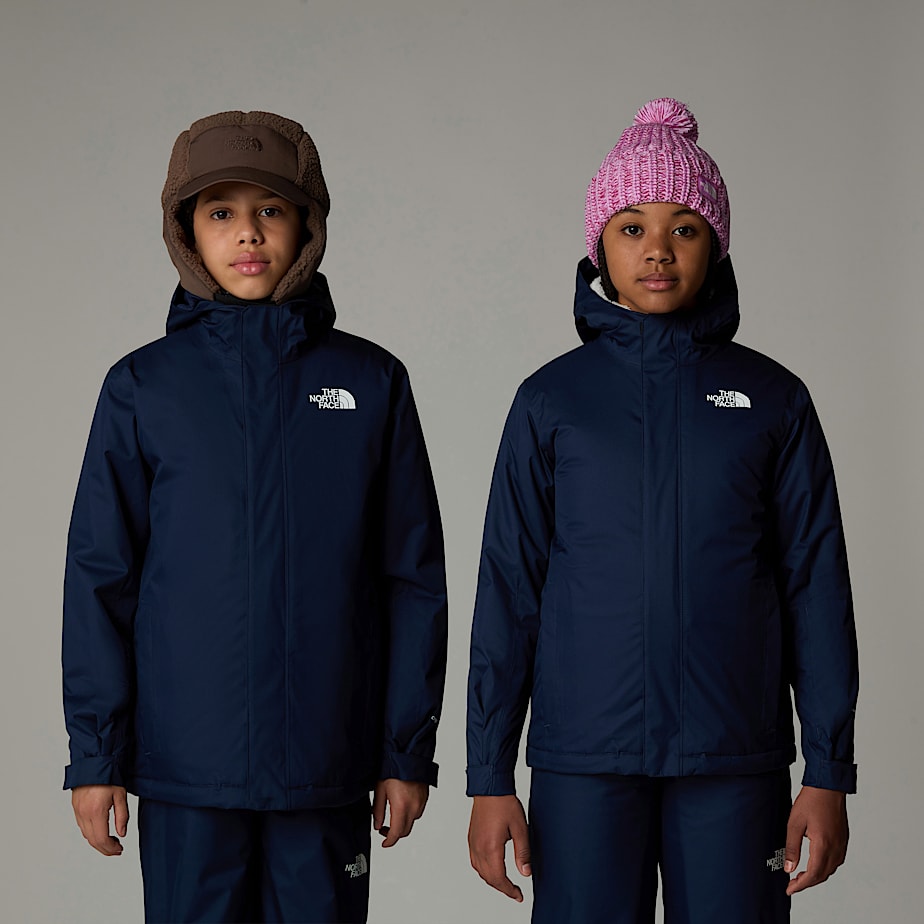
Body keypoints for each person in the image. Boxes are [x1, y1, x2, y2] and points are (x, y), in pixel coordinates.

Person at [465, 98, 857, 923]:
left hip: (734, 757)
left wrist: (828, 769)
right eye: (631, 227)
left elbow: (815, 587)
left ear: (715, 244)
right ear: (600, 246)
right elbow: (509, 589)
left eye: (684, 228)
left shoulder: (774, 400)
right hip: (583, 759)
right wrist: (489, 774)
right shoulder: (550, 400)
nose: (657, 250)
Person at [63, 110, 448, 924]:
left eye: (271, 209)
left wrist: (405, 750)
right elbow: (101, 578)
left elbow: (412, 579)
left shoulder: (372, 383)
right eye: (221, 212)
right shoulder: (143, 387)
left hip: (326, 764)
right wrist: (96, 757)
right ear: (186, 232)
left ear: (307, 224)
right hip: (187, 771)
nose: (248, 234)